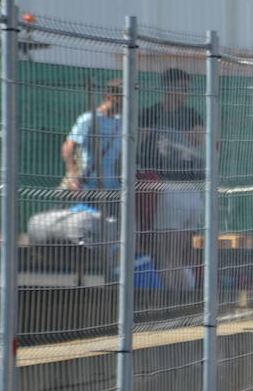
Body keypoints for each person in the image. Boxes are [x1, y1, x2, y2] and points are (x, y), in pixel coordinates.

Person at [139, 68, 205, 289]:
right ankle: (180, 302)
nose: (185, 93)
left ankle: (175, 305)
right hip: (167, 188)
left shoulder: (190, 114)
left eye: (188, 89)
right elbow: (140, 138)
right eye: (181, 88)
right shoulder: (150, 113)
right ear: (168, 88)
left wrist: (165, 134)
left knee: (175, 256)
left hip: (184, 190)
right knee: (172, 257)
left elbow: (198, 138)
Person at [62, 78, 124, 200]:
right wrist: (74, 175)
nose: (123, 107)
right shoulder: (90, 119)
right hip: (90, 189)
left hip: (113, 190)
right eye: (120, 102)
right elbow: (68, 147)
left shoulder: (121, 123)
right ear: (109, 97)